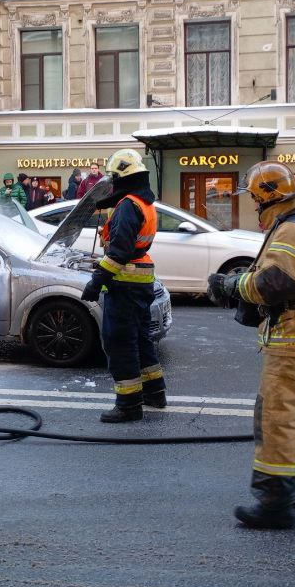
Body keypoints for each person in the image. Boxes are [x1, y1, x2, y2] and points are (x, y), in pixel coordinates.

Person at [207, 162, 295, 530]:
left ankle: (274, 504)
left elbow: (274, 284)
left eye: (254, 198)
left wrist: (230, 286)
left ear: (266, 197)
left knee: (275, 419)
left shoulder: (294, 230)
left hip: (294, 342)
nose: (254, 206)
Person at [80, 148, 168, 423]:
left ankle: (129, 405)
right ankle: (155, 393)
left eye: (114, 178)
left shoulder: (128, 206)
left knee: (120, 342)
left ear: (122, 178)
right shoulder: (142, 201)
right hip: (141, 279)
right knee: (141, 340)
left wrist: (95, 283)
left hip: (124, 283)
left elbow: (118, 253)